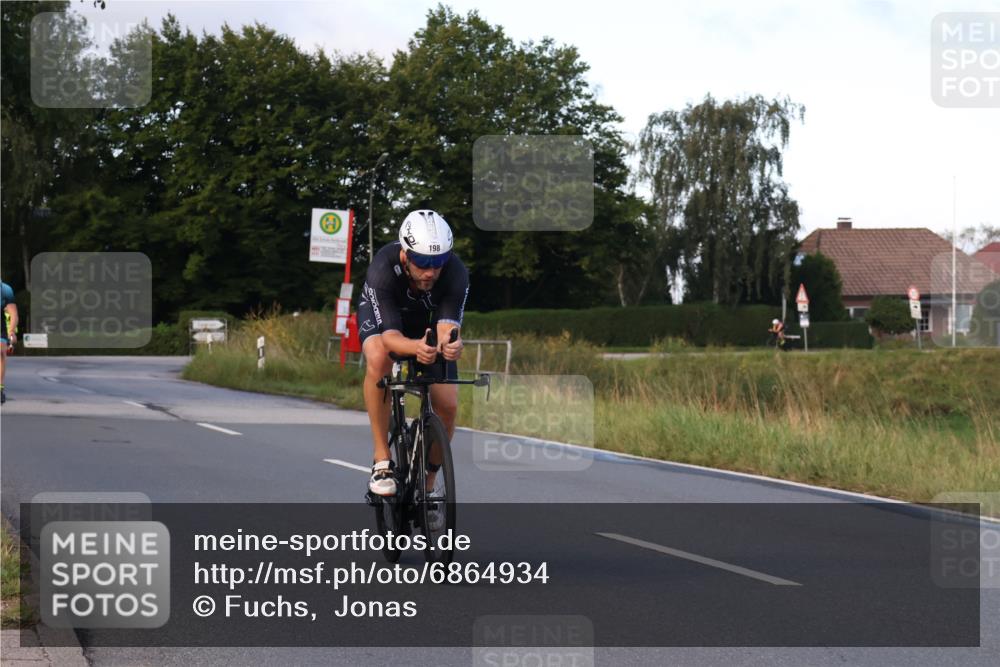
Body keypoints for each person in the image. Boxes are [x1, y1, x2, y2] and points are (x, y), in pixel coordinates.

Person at [357, 210, 468, 497]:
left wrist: (450, 345)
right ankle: (382, 459)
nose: (430, 271)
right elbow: (392, 339)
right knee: (380, 358)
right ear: (406, 254)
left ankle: (428, 486)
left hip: (427, 322)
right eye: (422, 262)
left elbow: (446, 327)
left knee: (448, 405)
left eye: (438, 262)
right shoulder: (383, 268)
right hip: (387, 320)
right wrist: (416, 348)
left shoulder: (455, 273)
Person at [1, 281, 19, 405]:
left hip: (2, 330)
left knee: (1, 353)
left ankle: (0, 388)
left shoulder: (5, 289)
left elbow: (13, 313)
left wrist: (11, 332)